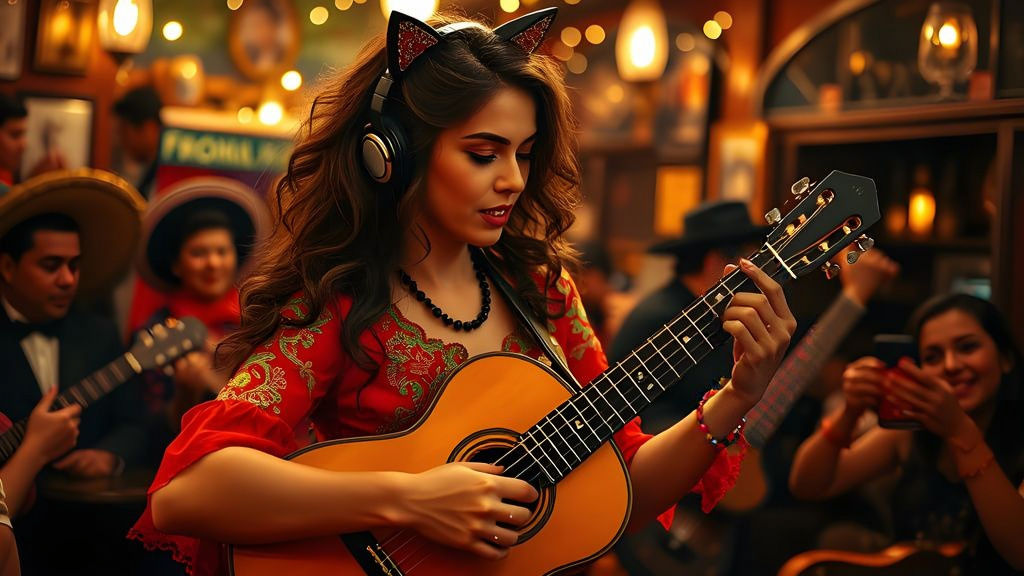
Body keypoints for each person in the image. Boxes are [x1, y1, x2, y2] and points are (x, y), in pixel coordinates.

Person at [129, 9, 796, 576]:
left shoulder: (544, 291)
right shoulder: (344, 297)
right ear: (394, 154)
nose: (511, 179)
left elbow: (625, 487)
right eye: (483, 153)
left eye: (524, 154)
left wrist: (739, 395)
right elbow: (190, 493)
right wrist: (409, 499)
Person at [789, 293, 1024, 574]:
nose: (951, 365)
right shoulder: (911, 432)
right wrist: (849, 412)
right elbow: (808, 486)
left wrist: (960, 431)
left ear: (1006, 359)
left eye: (967, 347)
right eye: (932, 356)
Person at [0, 168, 148, 575]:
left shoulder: (98, 332)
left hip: (90, 540)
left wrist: (110, 456)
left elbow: (136, 421)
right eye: (51, 265)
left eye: (75, 265)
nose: (68, 280)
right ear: (8, 268)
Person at [130, 177, 270, 460]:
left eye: (222, 251)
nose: (213, 263)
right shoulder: (155, 332)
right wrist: (186, 395)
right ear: (176, 265)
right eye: (199, 253)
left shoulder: (258, 320)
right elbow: (145, 431)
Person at [610, 200, 768, 433]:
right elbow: (642, 415)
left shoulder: (705, 308)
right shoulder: (661, 316)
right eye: (749, 259)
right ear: (717, 262)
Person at [112, 86, 164, 199]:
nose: (120, 137)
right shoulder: (121, 166)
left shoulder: (166, 173)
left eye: (124, 129)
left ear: (150, 128)